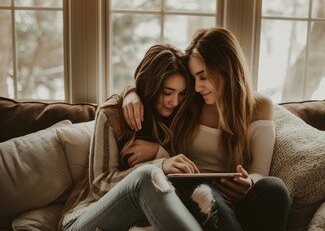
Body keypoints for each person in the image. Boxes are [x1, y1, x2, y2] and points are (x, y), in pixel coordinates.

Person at [122, 27, 292, 231]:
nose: (196, 87)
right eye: (194, 78)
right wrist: (129, 92)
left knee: (275, 188)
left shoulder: (259, 106)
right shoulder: (190, 101)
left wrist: (248, 183)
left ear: (226, 68)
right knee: (205, 193)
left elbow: (259, 172)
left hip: (238, 202)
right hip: (192, 196)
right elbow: (153, 85)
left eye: (203, 77)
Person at [58, 44, 203, 231]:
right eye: (167, 92)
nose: (174, 102)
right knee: (146, 176)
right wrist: (160, 164)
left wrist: (159, 152)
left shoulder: (179, 116)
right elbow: (99, 185)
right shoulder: (112, 115)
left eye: (182, 94)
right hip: (85, 218)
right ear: (151, 86)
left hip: (139, 219)